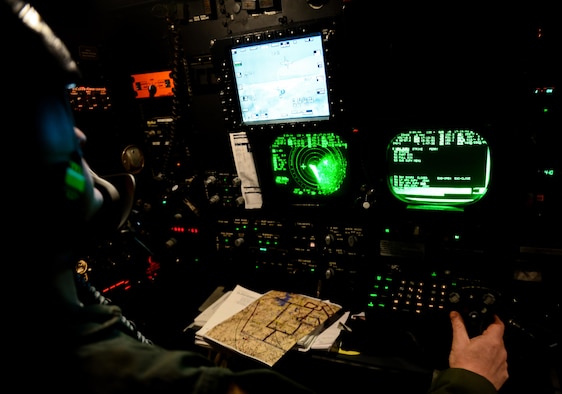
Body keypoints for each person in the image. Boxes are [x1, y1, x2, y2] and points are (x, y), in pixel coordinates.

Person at [3, 0, 508, 393]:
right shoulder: (186, 389)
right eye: (55, 109)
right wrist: (471, 382)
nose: (82, 137)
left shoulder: (77, 327)